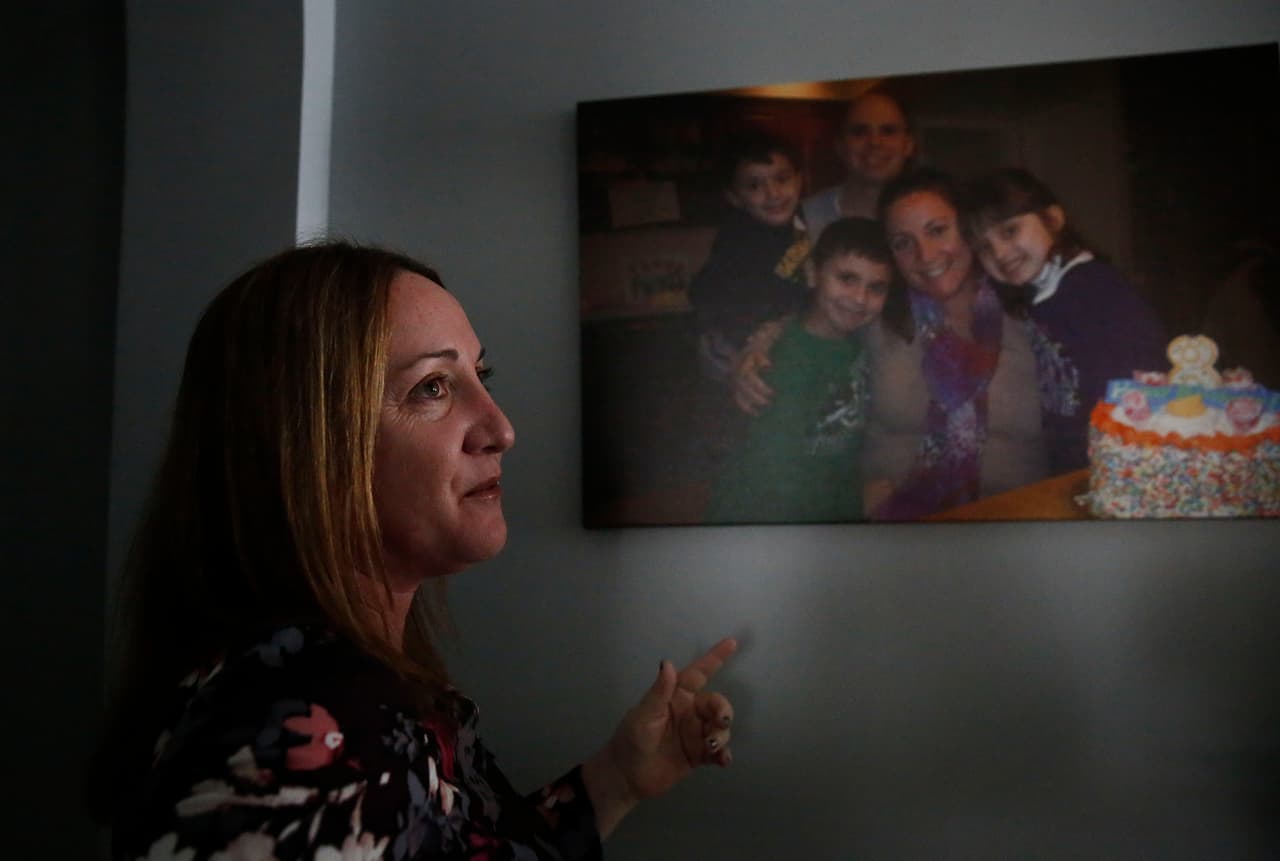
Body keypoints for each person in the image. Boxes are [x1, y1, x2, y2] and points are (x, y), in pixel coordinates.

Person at [87, 241, 737, 860]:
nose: (500, 427)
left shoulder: (357, 690)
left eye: (479, 374)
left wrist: (617, 778)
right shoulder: (303, 741)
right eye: (432, 386)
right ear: (311, 450)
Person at [733, 169, 1049, 520]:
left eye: (937, 230)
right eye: (903, 242)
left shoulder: (1036, 314)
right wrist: (761, 341)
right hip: (892, 524)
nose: (925, 255)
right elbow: (819, 313)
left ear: (968, 228)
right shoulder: (877, 313)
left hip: (1014, 523)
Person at [960, 167, 1167, 473]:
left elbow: (1141, 392)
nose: (1000, 253)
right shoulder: (1038, 293)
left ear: (1054, 220)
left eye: (1009, 231)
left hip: (1117, 470)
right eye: (985, 248)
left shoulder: (1097, 290)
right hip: (1071, 471)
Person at [704, 217, 898, 523]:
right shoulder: (783, 364)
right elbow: (776, 489)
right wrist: (854, 504)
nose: (860, 299)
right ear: (812, 273)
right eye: (847, 279)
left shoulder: (853, 340)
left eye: (876, 287)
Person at [688, 129, 811, 381]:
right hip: (735, 343)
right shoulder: (738, 238)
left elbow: (788, 278)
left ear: (799, 180)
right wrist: (748, 338)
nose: (773, 193)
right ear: (734, 197)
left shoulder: (799, 226)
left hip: (776, 333)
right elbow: (710, 294)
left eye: (782, 179)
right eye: (754, 185)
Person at [801, 87, 916, 241]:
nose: (875, 142)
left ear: (908, 145)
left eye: (888, 131)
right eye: (860, 132)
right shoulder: (805, 220)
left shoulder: (933, 217)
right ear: (840, 146)